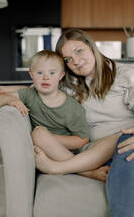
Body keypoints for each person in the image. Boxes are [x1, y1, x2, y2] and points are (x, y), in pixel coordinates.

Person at [32, 28, 134, 217]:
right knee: (37, 134)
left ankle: (57, 168)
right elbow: (35, 87)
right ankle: (88, 172)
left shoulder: (126, 75)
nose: (76, 61)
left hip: (123, 144)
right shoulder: (68, 85)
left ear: (91, 46)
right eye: (68, 59)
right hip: (88, 152)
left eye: (78, 51)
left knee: (126, 141)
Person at [0, 50, 116, 182]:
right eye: (40, 73)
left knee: (39, 134)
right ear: (31, 75)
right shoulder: (29, 95)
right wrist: (11, 100)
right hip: (48, 151)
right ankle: (88, 172)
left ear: (61, 75)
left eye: (52, 73)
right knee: (39, 134)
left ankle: (74, 167)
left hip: (71, 152)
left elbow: (82, 139)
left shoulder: (72, 108)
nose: (45, 77)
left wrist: (48, 138)